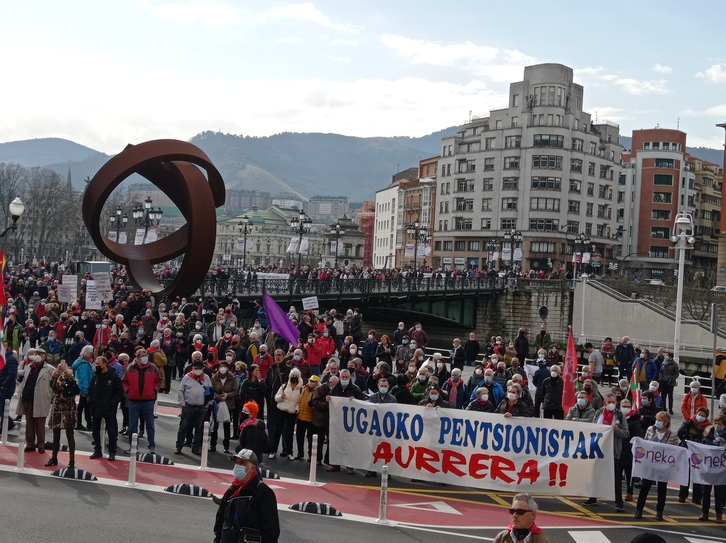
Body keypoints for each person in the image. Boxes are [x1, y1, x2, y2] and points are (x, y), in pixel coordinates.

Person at [213, 448, 280, 543]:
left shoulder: (263, 492)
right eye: (236, 462)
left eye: (243, 463)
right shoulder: (232, 490)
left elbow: (271, 530)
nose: (238, 466)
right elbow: (220, 521)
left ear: (253, 468)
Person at [583, 393, 629, 511]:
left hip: (613, 451)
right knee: (595, 475)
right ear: (604, 402)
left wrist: (617, 430)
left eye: (614, 402)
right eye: (609, 402)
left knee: (615, 478)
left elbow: (626, 433)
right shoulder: (598, 413)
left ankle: (619, 502)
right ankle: (593, 498)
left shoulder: (619, 415)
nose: (611, 404)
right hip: (598, 449)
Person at [634, 411, 679, 520]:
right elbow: (645, 443)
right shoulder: (650, 430)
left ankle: (659, 512)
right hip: (650, 464)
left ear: (666, 422)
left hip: (663, 466)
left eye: (660, 420)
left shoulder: (672, 435)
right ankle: (639, 510)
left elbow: (675, 450)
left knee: (662, 489)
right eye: (657, 419)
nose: (657, 422)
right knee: (645, 487)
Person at [122, 348, 160, 453]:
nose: (145, 357)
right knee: (132, 426)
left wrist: (154, 390)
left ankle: (151, 447)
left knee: (150, 425)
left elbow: (158, 381)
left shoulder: (152, 368)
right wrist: (128, 391)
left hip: (148, 400)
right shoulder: (130, 368)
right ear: (137, 357)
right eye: (143, 355)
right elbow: (124, 381)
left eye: (146, 355)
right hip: (133, 400)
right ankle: (133, 447)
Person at [17, 348, 54, 452]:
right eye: (35, 353)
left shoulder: (49, 369)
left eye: (39, 354)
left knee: (40, 423)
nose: (36, 355)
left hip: (41, 400)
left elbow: (55, 383)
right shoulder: (29, 366)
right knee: (29, 423)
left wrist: (50, 395)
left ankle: (41, 444)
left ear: (44, 356)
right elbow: (24, 381)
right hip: (28, 398)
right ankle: (30, 443)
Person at [88, 355, 124, 461]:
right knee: (95, 431)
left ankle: (112, 452)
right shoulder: (95, 377)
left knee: (111, 432)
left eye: (98, 364)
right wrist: (90, 402)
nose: (97, 366)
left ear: (104, 364)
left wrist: (112, 403)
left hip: (109, 408)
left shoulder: (113, 377)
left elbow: (119, 392)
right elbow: (90, 390)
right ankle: (97, 450)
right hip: (96, 408)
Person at [176, 358, 212, 455]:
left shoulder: (206, 378)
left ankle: (196, 447)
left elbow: (210, 392)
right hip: (188, 406)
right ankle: (179, 446)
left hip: (201, 407)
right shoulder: (187, 377)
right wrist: (182, 403)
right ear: (192, 368)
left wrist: (208, 404)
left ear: (203, 369)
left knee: (199, 429)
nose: (198, 370)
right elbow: (181, 390)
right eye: (196, 368)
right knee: (183, 427)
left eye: (200, 368)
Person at [45, 360, 78, 468]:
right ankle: (54, 457)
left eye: (63, 364)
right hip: (57, 405)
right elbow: (53, 387)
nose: (61, 366)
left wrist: (66, 372)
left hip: (69, 407)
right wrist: (56, 373)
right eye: (60, 364)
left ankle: (72, 460)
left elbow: (75, 388)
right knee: (56, 434)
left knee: (70, 434)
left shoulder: (71, 377)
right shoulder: (57, 376)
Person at [678, 405, 710, 505]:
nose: (700, 416)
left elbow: (709, 440)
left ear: (706, 417)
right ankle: (682, 495)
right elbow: (680, 433)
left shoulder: (708, 427)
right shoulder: (689, 422)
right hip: (687, 450)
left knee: (698, 475)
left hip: (699, 453)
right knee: (685, 473)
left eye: (702, 415)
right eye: (699, 414)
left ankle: (697, 498)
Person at [699, 412, 726, 522]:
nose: (716, 426)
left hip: (720, 468)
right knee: (706, 491)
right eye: (715, 423)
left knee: (719, 492)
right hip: (709, 466)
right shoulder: (708, 434)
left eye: (719, 424)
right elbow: (703, 446)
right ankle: (704, 512)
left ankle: (718, 514)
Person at [273, 367, 304, 459]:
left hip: (291, 412)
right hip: (281, 410)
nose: (294, 377)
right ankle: (273, 451)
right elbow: (276, 398)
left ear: (299, 377)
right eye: (292, 375)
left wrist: (296, 410)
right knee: (277, 431)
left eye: (295, 376)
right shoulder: (284, 386)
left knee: (289, 433)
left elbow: (300, 402)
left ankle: (289, 453)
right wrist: (280, 397)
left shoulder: (301, 389)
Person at [619, 398, 645, 502]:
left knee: (629, 474)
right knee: (617, 474)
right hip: (618, 450)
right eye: (623, 406)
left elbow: (638, 436)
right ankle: (617, 492)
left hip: (629, 451)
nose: (625, 408)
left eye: (627, 406)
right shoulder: (618, 418)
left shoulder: (635, 421)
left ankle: (630, 492)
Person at [212, 358, 237, 454]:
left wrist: (227, 395)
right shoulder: (214, 378)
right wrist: (219, 397)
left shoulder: (231, 378)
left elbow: (235, 390)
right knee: (215, 425)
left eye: (224, 367)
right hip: (217, 403)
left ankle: (226, 445)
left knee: (227, 425)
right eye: (221, 366)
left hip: (228, 403)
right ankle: (213, 445)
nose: (222, 368)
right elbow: (212, 390)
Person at [71, 344, 94, 431]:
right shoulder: (84, 365)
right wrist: (86, 390)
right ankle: (83, 423)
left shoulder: (80, 362)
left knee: (82, 407)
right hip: (85, 389)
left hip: (81, 388)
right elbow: (84, 378)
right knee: (84, 407)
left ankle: (83, 423)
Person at [0, 342, 18, 434]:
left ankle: (6, 426)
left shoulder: (11, 359)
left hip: (6, 388)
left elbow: (12, 374)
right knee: (1, 408)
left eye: (5, 346)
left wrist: (4, 384)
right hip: (2, 386)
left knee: (3, 408)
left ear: (9, 347)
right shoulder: (4, 357)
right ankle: (8, 423)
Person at [657, 350, 678, 415]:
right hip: (663, 381)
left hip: (670, 382)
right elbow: (661, 371)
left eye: (667, 355)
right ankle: (664, 408)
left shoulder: (674, 364)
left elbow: (676, 373)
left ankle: (670, 409)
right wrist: (660, 378)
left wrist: (672, 378)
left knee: (670, 396)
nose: (665, 356)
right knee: (663, 396)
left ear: (670, 356)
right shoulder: (663, 363)